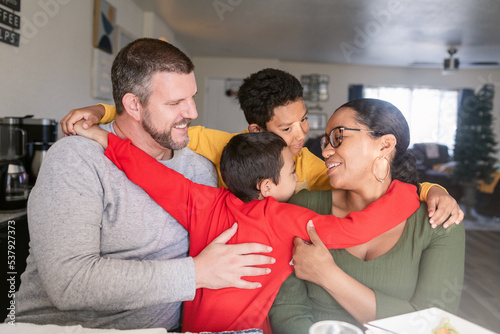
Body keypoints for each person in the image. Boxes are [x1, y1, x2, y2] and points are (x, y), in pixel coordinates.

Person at [12, 38, 276, 331]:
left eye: (192, 97)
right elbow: (69, 283)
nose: (192, 113)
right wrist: (196, 273)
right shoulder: (76, 160)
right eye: (175, 103)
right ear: (133, 105)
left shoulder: (200, 169)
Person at [73, 120, 421, 333]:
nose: (298, 175)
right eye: (290, 171)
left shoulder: (201, 200)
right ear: (266, 187)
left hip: (192, 330)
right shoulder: (284, 218)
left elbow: (150, 174)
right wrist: (408, 194)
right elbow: (354, 230)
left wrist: (105, 140)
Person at [60, 69, 464, 228]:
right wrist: (104, 110)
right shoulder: (224, 146)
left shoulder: (314, 166)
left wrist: (434, 190)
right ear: (256, 128)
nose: (301, 135)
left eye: (304, 119)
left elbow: (380, 181)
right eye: (286, 128)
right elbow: (162, 121)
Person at [268, 99, 466, 333]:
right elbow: (288, 309)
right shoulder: (304, 206)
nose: (325, 151)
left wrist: (328, 276)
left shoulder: (439, 222)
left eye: (338, 137)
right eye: (326, 141)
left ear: (384, 145)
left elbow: (433, 325)